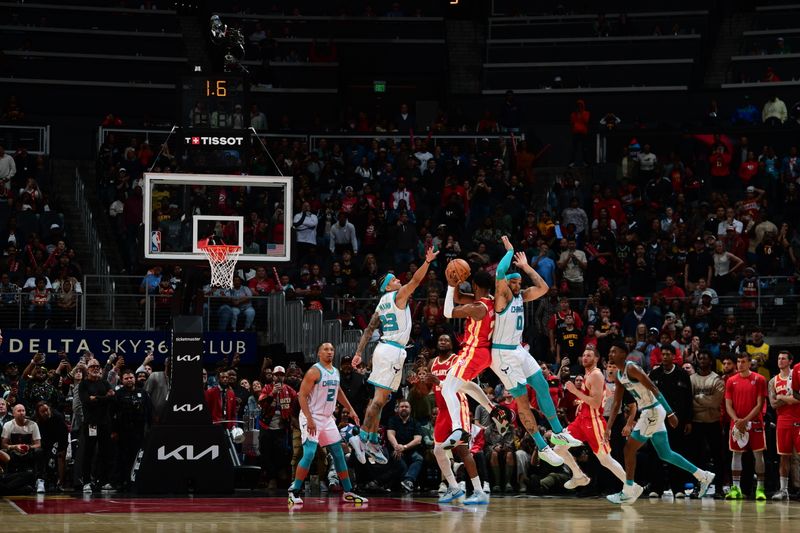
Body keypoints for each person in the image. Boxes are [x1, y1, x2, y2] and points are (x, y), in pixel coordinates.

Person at [490, 237, 580, 465]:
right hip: (502, 354)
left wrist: (526, 267)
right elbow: (500, 271)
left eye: (520, 282)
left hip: (517, 350)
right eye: (515, 282)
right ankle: (541, 446)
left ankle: (559, 433)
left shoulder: (521, 296)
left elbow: (544, 288)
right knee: (522, 401)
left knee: (541, 384)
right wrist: (509, 251)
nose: (519, 285)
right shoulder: (502, 298)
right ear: (507, 284)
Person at [352, 246, 438, 464]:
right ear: (389, 285)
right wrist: (427, 262)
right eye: (395, 280)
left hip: (390, 351)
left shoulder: (382, 303)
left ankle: (371, 439)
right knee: (378, 400)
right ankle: (361, 438)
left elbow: (370, 328)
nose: (400, 281)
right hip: (391, 350)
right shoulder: (396, 296)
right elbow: (416, 281)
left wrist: (359, 352)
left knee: (382, 400)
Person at [606, 341, 715, 504]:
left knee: (629, 449)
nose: (610, 354)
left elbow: (654, 389)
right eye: (610, 351)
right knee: (666, 454)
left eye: (614, 351)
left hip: (653, 410)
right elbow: (616, 404)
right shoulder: (620, 375)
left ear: (623, 354)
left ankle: (629, 490)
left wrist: (670, 412)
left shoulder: (632, 368)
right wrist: (608, 427)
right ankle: (703, 475)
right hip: (650, 412)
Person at [410, 333, 489, 504]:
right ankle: (453, 487)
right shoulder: (432, 362)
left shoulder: (457, 360)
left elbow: (462, 384)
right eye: (440, 339)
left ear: (451, 344)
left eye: (446, 339)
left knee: (462, 450)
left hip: (458, 407)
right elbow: (426, 391)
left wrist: (438, 381)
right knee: (438, 450)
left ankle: (479, 491)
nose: (443, 341)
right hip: (442, 410)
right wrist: (418, 382)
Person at [287, 342, 367, 506]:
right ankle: (294, 491)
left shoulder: (335, 371)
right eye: (325, 349)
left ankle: (348, 491)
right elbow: (301, 396)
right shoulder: (314, 371)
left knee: (338, 453)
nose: (329, 352)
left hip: (328, 418)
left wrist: (350, 409)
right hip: (312, 416)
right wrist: (309, 419)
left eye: (331, 349)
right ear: (318, 353)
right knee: (309, 453)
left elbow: (338, 391)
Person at [440, 269, 508, 449]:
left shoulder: (477, 308)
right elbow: (459, 297)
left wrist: (449, 285)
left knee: (447, 388)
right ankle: (494, 411)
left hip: (473, 351)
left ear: (475, 285)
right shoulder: (489, 301)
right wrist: (455, 285)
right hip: (483, 353)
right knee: (461, 384)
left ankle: (458, 430)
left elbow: (448, 312)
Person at [553, 346, 630, 490]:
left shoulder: (596, 375)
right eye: (584, 355)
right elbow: (605, 394)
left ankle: (630, 485)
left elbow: (595, 403)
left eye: (589, 355)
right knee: (558, 448)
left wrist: (575, 391)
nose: (585, 357)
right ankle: (578, 476)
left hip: (593, 421)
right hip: (581, 420)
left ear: (596, 359)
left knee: (605, 460)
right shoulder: (588, 374)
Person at [724, 351, 767, 500]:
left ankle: (760, 489)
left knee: (758, 455)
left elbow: (760, 404)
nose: (740, 364)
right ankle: (736, 488)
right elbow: (728, 404)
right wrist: (737, 420)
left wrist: (745, 420)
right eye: (738, 362)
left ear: (749, 363)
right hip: (736, 423)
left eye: (743, 362)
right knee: (736, 454)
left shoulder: (760, 379)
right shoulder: (731, 381)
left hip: (755, 422)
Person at [769, 350, 800, 500]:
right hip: (782, 421)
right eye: (779, 358)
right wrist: (788, 397)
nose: (780, 361)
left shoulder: (797, 375)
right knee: (784, 457)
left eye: (783, 358)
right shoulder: (773, 381)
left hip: (798, 419)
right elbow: (773, 404)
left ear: (790, 361)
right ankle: (783, 490)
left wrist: (781, 396)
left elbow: (799, 399)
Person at [1, 404, 43, 492]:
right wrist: (15, 447)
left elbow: (38, 444)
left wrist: (28, 447)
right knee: (5, 451)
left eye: (23, 411)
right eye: (19, 411)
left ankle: (40, 480)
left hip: (28, 451)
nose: (22, 413)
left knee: (39, 451)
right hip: (13, 452)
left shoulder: (33, 424)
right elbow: (3, 444)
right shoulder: (8, 425)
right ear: (13, 414)